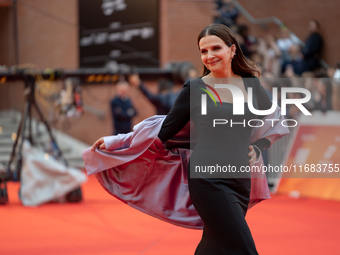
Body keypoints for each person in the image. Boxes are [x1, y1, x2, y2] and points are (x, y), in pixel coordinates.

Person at [88, 24, 288, 254]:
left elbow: (275, 118)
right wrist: (118, 141)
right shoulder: (196, 89)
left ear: (232, 50)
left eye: (216, 48)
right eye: (203, 51)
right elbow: (164, 129)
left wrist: (258, 145)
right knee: (244, 249)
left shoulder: (251, 87)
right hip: (207, 180)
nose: (209, 56)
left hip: (240, 181)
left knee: (214, 246)